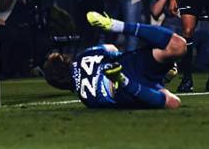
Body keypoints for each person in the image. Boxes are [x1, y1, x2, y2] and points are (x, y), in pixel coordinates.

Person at [42, 11, 185, 110]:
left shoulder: (86, 100)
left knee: (173, 103)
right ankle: (116, 25)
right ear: (63, 61)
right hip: (129, 64)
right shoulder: (84, 57)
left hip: (129, 89)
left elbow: (115, 103)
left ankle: (128, 81)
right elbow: (111, 48)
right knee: (178, 45)